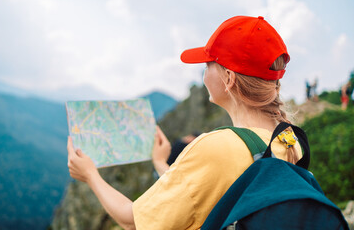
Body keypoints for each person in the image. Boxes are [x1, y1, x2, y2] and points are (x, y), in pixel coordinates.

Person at [67, 15, 302, 229]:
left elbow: (133, 221)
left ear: (228, 77)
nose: (203, 72)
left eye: (208, 64)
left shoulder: (216, 147)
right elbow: (209, 189)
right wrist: (161, 164)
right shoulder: (289, 140)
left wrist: (90, 175)